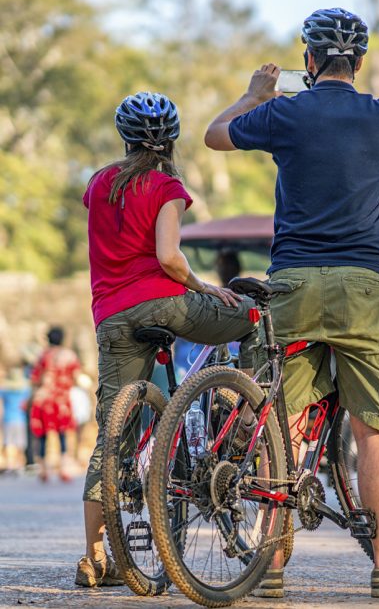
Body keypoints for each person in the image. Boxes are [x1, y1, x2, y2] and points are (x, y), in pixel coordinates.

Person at [205, 7, 379, 599]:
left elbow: (214, 135)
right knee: (374, 428)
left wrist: (254, 95)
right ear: (358, 62)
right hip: (363, 286)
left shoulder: (283, 112)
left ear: (308, 60)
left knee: (280, 424)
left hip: (295, 282)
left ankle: (271, 564)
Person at [77, 91, 262, 588]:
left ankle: (94, 557)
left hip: (112, 316)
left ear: (125, 138)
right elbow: (168, 257)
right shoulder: (166, 186)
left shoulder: (98, 183)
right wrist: (204, 287)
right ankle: (242, 415)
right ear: (172, 140)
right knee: (254, 317)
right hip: (165, 303)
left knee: (112, 436)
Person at [30, 327, 80, 483]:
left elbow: (35, 378)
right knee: (63, 433)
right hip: (61, 400)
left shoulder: (43, 355)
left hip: (44, 398)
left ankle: (43, 469)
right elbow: (76, 376)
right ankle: (64, 468)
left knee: (42, 435)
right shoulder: (70, 355)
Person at [0, 366, 30, 473]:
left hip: (8, 418)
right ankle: (19, 464)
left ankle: (10, 464)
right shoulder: (25, 390)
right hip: (20, 419)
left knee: (8, 442)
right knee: (20, 443)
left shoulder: (4, 391)